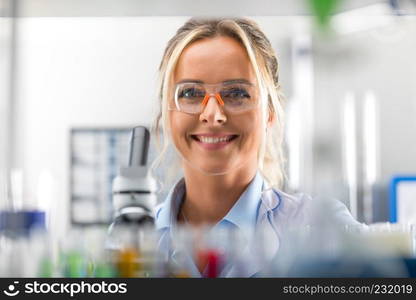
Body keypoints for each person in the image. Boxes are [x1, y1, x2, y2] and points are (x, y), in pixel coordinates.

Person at [151, 17, 361, 277]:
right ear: (166, 113)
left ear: (270, 111)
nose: (213, 115)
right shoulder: (129, 239)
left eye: (237, 93)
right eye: (191, 93)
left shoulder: (322, 227)